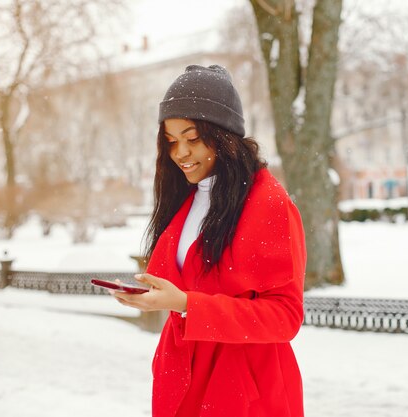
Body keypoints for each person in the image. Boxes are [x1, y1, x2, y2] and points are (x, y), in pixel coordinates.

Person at [110, 64, 307, 417]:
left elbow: (285, 316)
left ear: (224, 135)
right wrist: (153, 297)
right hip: (183, 379)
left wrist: (189, 304)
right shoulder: (187, 197)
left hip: (242, 390)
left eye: (192, 138)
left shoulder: (269, 203)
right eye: (171, 142)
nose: (180, 153)